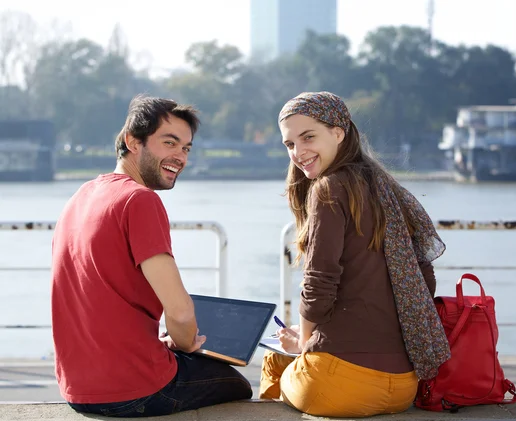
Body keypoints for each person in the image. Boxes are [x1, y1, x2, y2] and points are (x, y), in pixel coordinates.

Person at [51, 95, 252, 418]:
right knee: (237, 384)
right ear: (132, 141)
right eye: (169, 143)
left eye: (186, 148)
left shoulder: (81, 196)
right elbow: (181, 312)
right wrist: (185, 344)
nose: (180, 157)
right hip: (134, 389)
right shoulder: (139, 200)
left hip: (76, 388)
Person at [259, 91, 451, 418]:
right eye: (289, 144)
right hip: (403, 386)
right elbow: (425, 281)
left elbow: (319, 285)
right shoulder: (388, 189)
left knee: (274, 361)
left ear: (338, 132)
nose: (298, 152)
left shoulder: (329, 188)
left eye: (308, 137)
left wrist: (304, 343)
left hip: (339, 384)